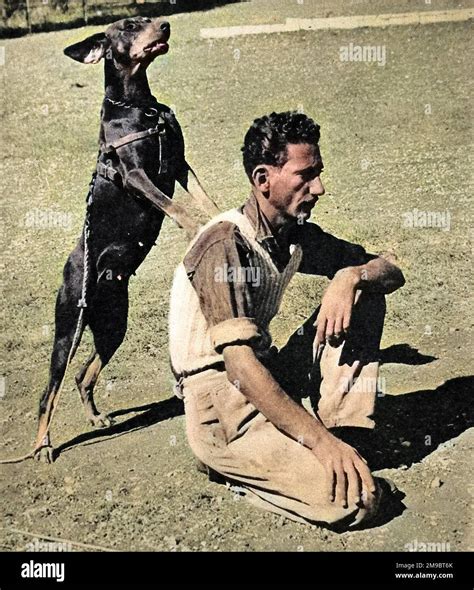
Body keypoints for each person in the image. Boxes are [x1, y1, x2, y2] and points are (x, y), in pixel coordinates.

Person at [168, 111, 405, 529]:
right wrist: (318, 442)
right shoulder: (224, 246)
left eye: (319, 173)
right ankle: (238, 465)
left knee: (365, 295)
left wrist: (350, 277)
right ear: (263, 180)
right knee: (361, 499)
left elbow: (390, 270)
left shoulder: (290, 233)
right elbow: (239, 365)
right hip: (221, 403)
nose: (320, 188)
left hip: (267, 373)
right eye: (305, 175)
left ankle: (344, 435)